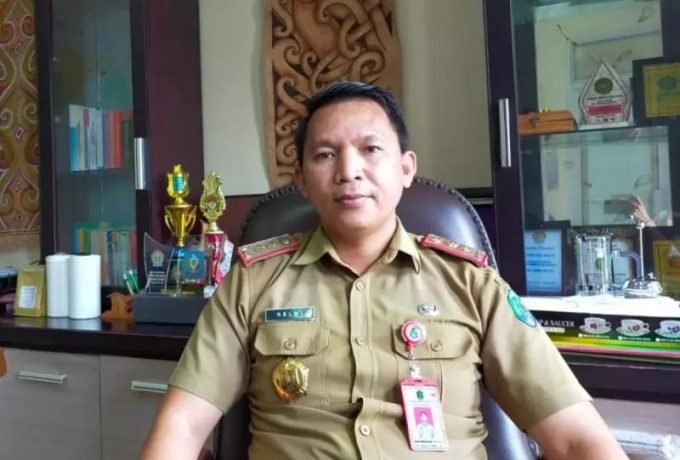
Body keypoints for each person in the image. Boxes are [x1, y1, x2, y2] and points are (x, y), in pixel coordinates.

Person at [140, 81, 627, 459]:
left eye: (370, 149)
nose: (348, 171)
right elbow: (181, 427)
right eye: (325, 155)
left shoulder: (472, 285)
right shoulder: (253, 282)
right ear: (302, 180)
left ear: (406, 167)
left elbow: (577, 439)